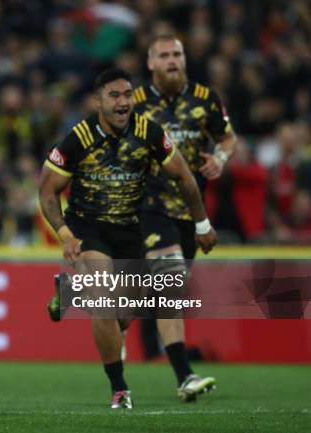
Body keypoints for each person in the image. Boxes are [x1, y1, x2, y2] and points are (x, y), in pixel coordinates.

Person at [39, 67, 216, 409]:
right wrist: (64, 233)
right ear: (98, 102)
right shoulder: (78, 138)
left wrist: (202, 223)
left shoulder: (149, 133)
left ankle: (71, 290)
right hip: (88, 228)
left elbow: (185, 177)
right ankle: (119, 388)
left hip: (131, 232)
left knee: (124, 316)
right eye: (114, 96)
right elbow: (47, 190)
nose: (123, 102)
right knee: (104, 303)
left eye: (127, 95)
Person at [133, 34, 237, 402]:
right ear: (151, 63)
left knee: (162, 296)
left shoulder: (205, 99)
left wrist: (219, 160)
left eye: (177, 53)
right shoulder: (136, 103)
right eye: (163, 55)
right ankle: (185, 375)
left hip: (191, 211)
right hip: (147, 206)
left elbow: (227, 139)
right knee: (169, 284)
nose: (172, 60)